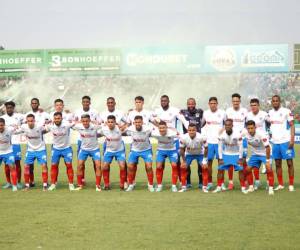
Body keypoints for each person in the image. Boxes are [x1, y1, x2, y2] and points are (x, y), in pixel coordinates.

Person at [268, 95, 295, 192]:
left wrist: (292, 140)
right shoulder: (270, 113)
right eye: (273, 101)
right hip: (275, 142)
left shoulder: (286, 111)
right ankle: (280, 184)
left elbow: (292, 125)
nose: (275, 102)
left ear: (280, 101)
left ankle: (291, 184)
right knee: (277, 164)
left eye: (277, 101)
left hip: (285, 141)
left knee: (289, 163)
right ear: (271, 102)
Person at [213, 119, 247, 194]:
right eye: (226, 125)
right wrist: (221, 158)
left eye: (229, 125)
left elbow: (241, 147)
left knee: (240, 171)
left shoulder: (237, 134)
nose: (227, 126)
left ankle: (243, 187)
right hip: (226, 154)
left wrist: (240, 158)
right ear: (224, 126)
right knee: (220, 170)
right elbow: (220, 147)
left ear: (232, 126)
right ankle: (219, 187)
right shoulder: (221, 135)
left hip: (236, 154)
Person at [45, 112, 75, 191]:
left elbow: (75, 123)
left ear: (61, 118)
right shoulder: (50, 126)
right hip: (56, 149)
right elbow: (43, 129)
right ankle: (53, 184)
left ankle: (71, 184)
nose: (57, 120)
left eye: (58, 118)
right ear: (53, 119)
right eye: (55, 118)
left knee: (69, 165)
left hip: (67, 148)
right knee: (54, 166)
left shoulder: (67, 125)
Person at [243, 120, 275, 195]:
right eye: (248, 128)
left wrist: (267, 161)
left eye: (252, 128)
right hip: (255, 154)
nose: (250, 130)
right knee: (247, 169)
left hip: (265, 153)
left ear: (255, 127)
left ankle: (271, 188)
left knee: (269, 169)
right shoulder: (244, 133)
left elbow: (267, 147)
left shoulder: (261, 134)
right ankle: (251, 187)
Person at [151, 121, 184, 192]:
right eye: (160, 128)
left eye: (163, 128)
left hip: (172, 151)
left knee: (174, 165)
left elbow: (181, 137)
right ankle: (159, 185)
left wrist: (182, 146)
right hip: (161, 150)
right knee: (159, 166)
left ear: (166, 127)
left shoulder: (172, 133)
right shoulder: (154, 133)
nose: (162, 129)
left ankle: (174, 186)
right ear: (158, 128)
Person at [18, 114, 48, 191]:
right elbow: (16, 131)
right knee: (26, 166)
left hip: (41, 149)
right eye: (28, 121)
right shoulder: (24, 127)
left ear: (34, 121)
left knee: (44, 165)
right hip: (30, 150)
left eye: (32, 121)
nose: (30, 122)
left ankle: (45, 185)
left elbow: (47, 129)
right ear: (26, 121)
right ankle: (27, 185)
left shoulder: (39, 126)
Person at [74, 96, 99, 185]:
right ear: (82, 103)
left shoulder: (95, 112)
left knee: (96, 162)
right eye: (84, 102)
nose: (85, 103)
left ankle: (98, 182)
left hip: (92, 139)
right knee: (81, 161)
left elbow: (98, 123)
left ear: (90, 102)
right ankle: (82, 179)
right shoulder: (77, 111)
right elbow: (74, 123)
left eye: (87, 102)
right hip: (81, 140)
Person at [73, 114, 102, 191]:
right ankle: (80, 185)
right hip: (84, 149)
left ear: (89, 120)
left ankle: (98, 185)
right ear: (81, 121)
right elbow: (70, 125)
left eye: (87, 121)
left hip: (95, 149)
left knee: (98, 166)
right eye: (83, 121)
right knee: (79, 166)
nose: (85, 123)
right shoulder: (78, 126)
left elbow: (103, 126)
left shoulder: (95, 126)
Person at [125, 115, 154, 192]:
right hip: (134, 150)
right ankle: (131, 184)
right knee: (130, 166)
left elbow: (156, 131)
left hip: (146, 150)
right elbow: (121, 131)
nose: (138, 124)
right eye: (136, 122)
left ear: (142, 122)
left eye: (139, 122)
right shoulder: (130, 129)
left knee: (149, 167)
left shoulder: (148, 128)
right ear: (134, 123)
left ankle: (150, 185)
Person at [202, 97, 226, 190]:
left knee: (221, 162)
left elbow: (227, 124)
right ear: (209, 104)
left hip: (220, 142)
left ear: (217, 104)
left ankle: (221, 183)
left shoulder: (222, 113)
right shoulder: (205, 113)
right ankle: (210, 182)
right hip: (209, 142)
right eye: (211, 103)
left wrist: (222, 131)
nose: (213, 105)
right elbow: (201, 124)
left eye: (214, 103)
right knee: (209, 163)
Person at [225, 93, 248, 190]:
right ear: (232, 102)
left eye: (237, 101)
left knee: (243, 160)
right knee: (230, 161)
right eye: (234, 101)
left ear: (240, 101)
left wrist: (244, 132)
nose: (235, 103)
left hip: (242, 139)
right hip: (231, 139)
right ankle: (230, 182)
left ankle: (245, 180)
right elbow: (226, 125)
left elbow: (248, 124)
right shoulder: (228, 111)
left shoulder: (245, 111)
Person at [180, 98, 204, 188]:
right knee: (186, 164)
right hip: (187, 140)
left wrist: (198, 130)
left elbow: (203, 122)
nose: (191, 106)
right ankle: (188, 182)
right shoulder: (182, 112)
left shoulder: (200, 111)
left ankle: (201, 183)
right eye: (189, 104)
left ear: (195, 104)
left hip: (198, 139)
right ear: (187, 104)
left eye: (192, 104)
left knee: (200, 164)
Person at [246, 98, 269, 189]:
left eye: (255, 105)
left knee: (267, 165)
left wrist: (268, 134)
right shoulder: (248, 115)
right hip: (254, 142)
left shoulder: (264, 114)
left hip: (263, 141)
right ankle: (257, 182)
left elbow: (270, 123)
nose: (253, 107)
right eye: (251, 105)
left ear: (258, 105)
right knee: (255, 165)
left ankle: (268, 183)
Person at [98, 115, 127, 190]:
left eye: (112, 122)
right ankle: (106, 184)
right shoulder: (104, 129)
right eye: (109, 122)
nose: (110, 123)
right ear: (107, 123)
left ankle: (122, 183)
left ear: (115, 123)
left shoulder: (120, 129)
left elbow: (129, 126)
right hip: (109, 151)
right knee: (104, 166)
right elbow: (97, 133)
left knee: (122, 166)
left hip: (119, 150)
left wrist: (125, 126)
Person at [1, 101, 24, 189]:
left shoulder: (19, 116)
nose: (9, 109)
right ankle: (8, 182)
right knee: (6, 165)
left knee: (17, 163)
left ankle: (18, 182)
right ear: (5, 109)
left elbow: (28, 120)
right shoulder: (2, 118)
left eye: (11, 107)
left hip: (16, 143)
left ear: (13, 108)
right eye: (7, 108)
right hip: (6, 144)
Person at [179, 123, 208, 192]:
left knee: (205, 167)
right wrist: (183, 161)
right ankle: (183, 187)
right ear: (187, 130)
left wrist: (204, 160)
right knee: (183, 167)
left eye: (193, 130)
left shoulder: (202, 137)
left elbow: (206, 148)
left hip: (200, 154)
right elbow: (181, 149)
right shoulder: (183, 137)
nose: (191, 132)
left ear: (196, 130)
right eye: (190, 130)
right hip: (189, 154)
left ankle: (204, 187)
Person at [0, 118, 18, 191]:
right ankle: (9, 183)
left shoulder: (9, 130)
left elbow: (19, 129)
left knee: (12, 167)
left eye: (1, 125)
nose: (0, 127)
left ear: (4, 125)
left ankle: (14, 185)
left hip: (8, 152)